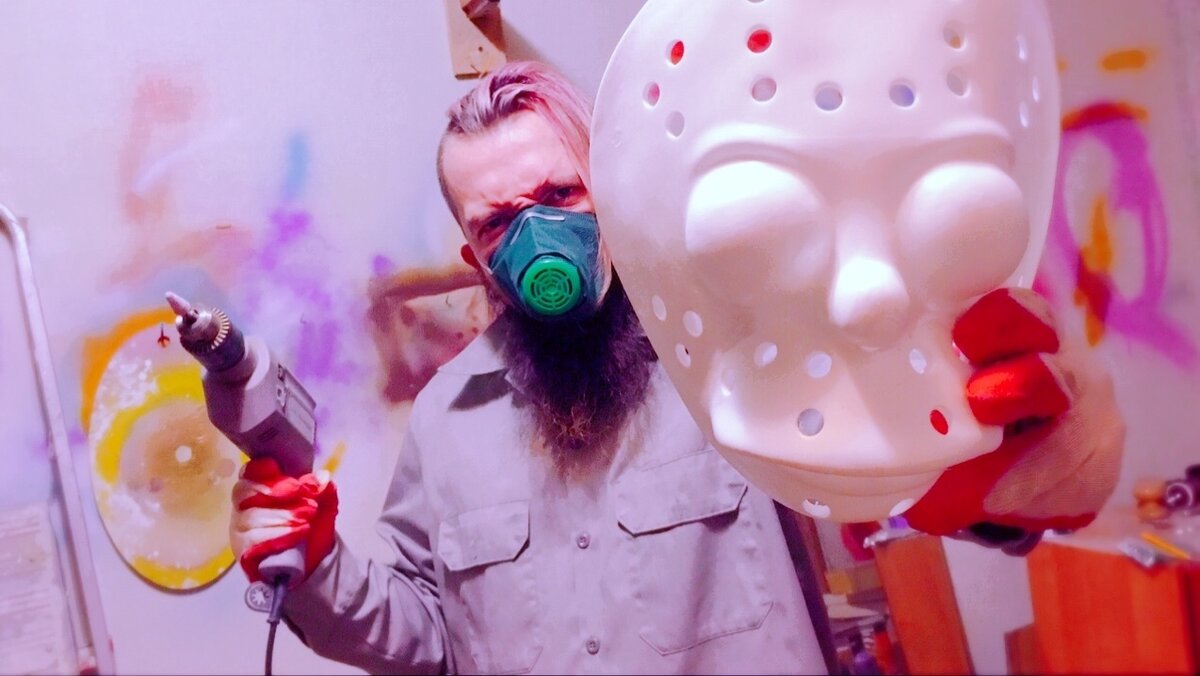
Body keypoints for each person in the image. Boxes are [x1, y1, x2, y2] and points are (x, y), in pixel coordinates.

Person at [229, 61, 1120, 674]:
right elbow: (428, 638)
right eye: (499, 222)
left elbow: (910, 473)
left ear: (612, 192)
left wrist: (1010, 470)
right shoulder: (445, 420)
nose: (537, 235)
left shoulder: (742, 355)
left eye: (559, 194)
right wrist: (316, 566)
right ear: (475, 255)